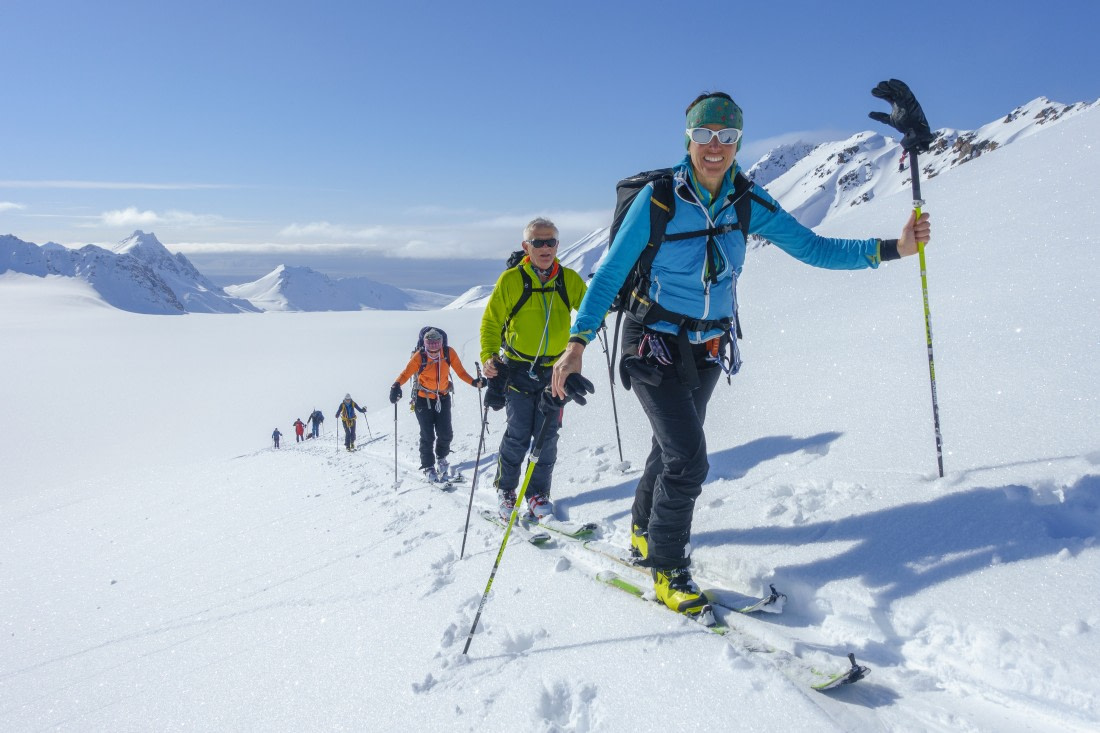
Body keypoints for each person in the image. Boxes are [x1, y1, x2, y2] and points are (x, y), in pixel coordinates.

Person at [551, 91, 931, 616]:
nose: (715, 146)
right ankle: (667, 566)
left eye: (727, 136)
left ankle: (642, 530)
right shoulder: (660, 199)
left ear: (738, 143)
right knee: (689, 458)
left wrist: (894, 249)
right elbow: (612, 272)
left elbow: (814, 247)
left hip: (706, 348)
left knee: (670, 449)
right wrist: (577, 345)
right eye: (705, 134)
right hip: (651, 342)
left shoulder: (747, 201)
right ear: (689, 137)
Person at [480, 217, 588, 520]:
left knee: (547, 435)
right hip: (516, 370)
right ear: (526, 246)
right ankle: (507, 489)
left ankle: (538, 493)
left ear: (557, 245)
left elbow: (590, 308)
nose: (544, 247)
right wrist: (489, 356)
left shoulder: (569, 280)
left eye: (550, 241)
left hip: (555, 372)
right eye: (537, 242)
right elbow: (491, 322)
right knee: (517, 433)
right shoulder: (512, 280)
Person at [389, 328, 485, 482]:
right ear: (425, 344)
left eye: (436, 343)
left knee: (446, 433)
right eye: (430, 344)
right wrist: (396, 385)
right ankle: (428, 466)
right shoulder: (419, 356)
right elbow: (406, 373)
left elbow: (460, 372)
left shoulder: (448, 353)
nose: (433, 348)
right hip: (422, 399)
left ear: (441, 343)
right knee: (427, 435)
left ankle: (441, 457)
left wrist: (474, 382)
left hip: (443, 397)